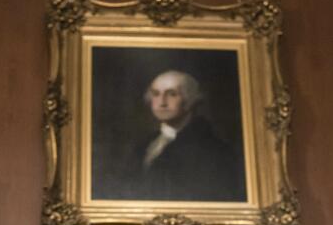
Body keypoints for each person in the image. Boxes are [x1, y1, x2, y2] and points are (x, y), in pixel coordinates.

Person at [100, 69, 246, 202]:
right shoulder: (144, 145)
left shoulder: (213, 149)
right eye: (156, 94)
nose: (162, 102)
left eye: (172, 94)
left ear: (189, 100)